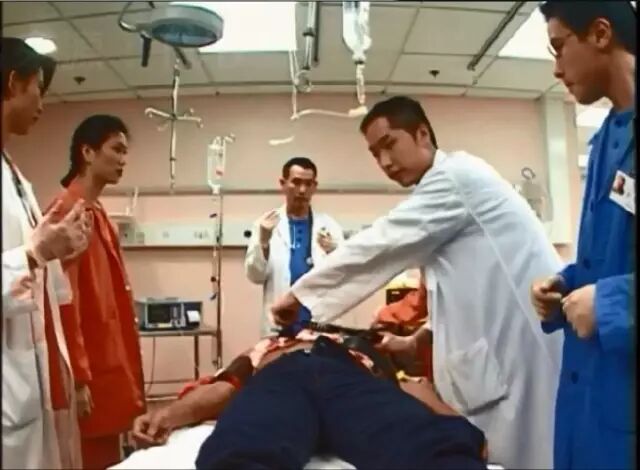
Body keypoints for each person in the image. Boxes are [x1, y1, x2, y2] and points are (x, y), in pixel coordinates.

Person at [271, 96, 564, 469]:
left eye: (389, 144)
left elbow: (382, 242)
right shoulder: (445, 193)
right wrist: (418, 339)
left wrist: (301, 295)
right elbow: (457, 292)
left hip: (517, 362)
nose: (384, 162)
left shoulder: (455, 178)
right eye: (375, 154)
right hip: (494, 364)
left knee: (526, 455)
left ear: (422, 133)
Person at [132, 327, 487, 469]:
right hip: (281, 375)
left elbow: (411, 390)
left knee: (427, 443)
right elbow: (224, 388)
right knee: (245, 445)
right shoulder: (267, 346)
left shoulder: (363, 346)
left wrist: (454, 427)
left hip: (349, 380)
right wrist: (168, 415)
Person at [531, 2, 636, 469]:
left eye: (559, 47)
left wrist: (611, 303)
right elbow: (611, 257)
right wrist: (567, 283)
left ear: (600, 33)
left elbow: (612, 292)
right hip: (593, 399)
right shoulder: (604, 143)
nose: (557, 69)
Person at [2, 37, 90, 469]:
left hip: (25, 387)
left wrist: (57, 250)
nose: (42, 102)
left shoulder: (14, 175)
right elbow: (26, 257)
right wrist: (33, 254)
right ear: (13, 82)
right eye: (39, 88)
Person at [45, 115, 146, 469]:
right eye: (116, 149)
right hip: (87, 375)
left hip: (108, 365)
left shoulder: (98, 215)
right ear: (87, 153)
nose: (123, 160)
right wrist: (78, 379)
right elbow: (62, 303)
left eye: (125, 152)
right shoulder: (65, 213)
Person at [245, 156, 344, 335]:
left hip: (317, 324)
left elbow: (344, 276)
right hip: (280, 326)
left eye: (308, 184)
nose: (302, 190)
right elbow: (255, 276)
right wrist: (264, 243)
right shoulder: (265, 224)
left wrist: (334, 252)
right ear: (283, 184)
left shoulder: (330, 226)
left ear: (315, 186)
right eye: (296, 182)